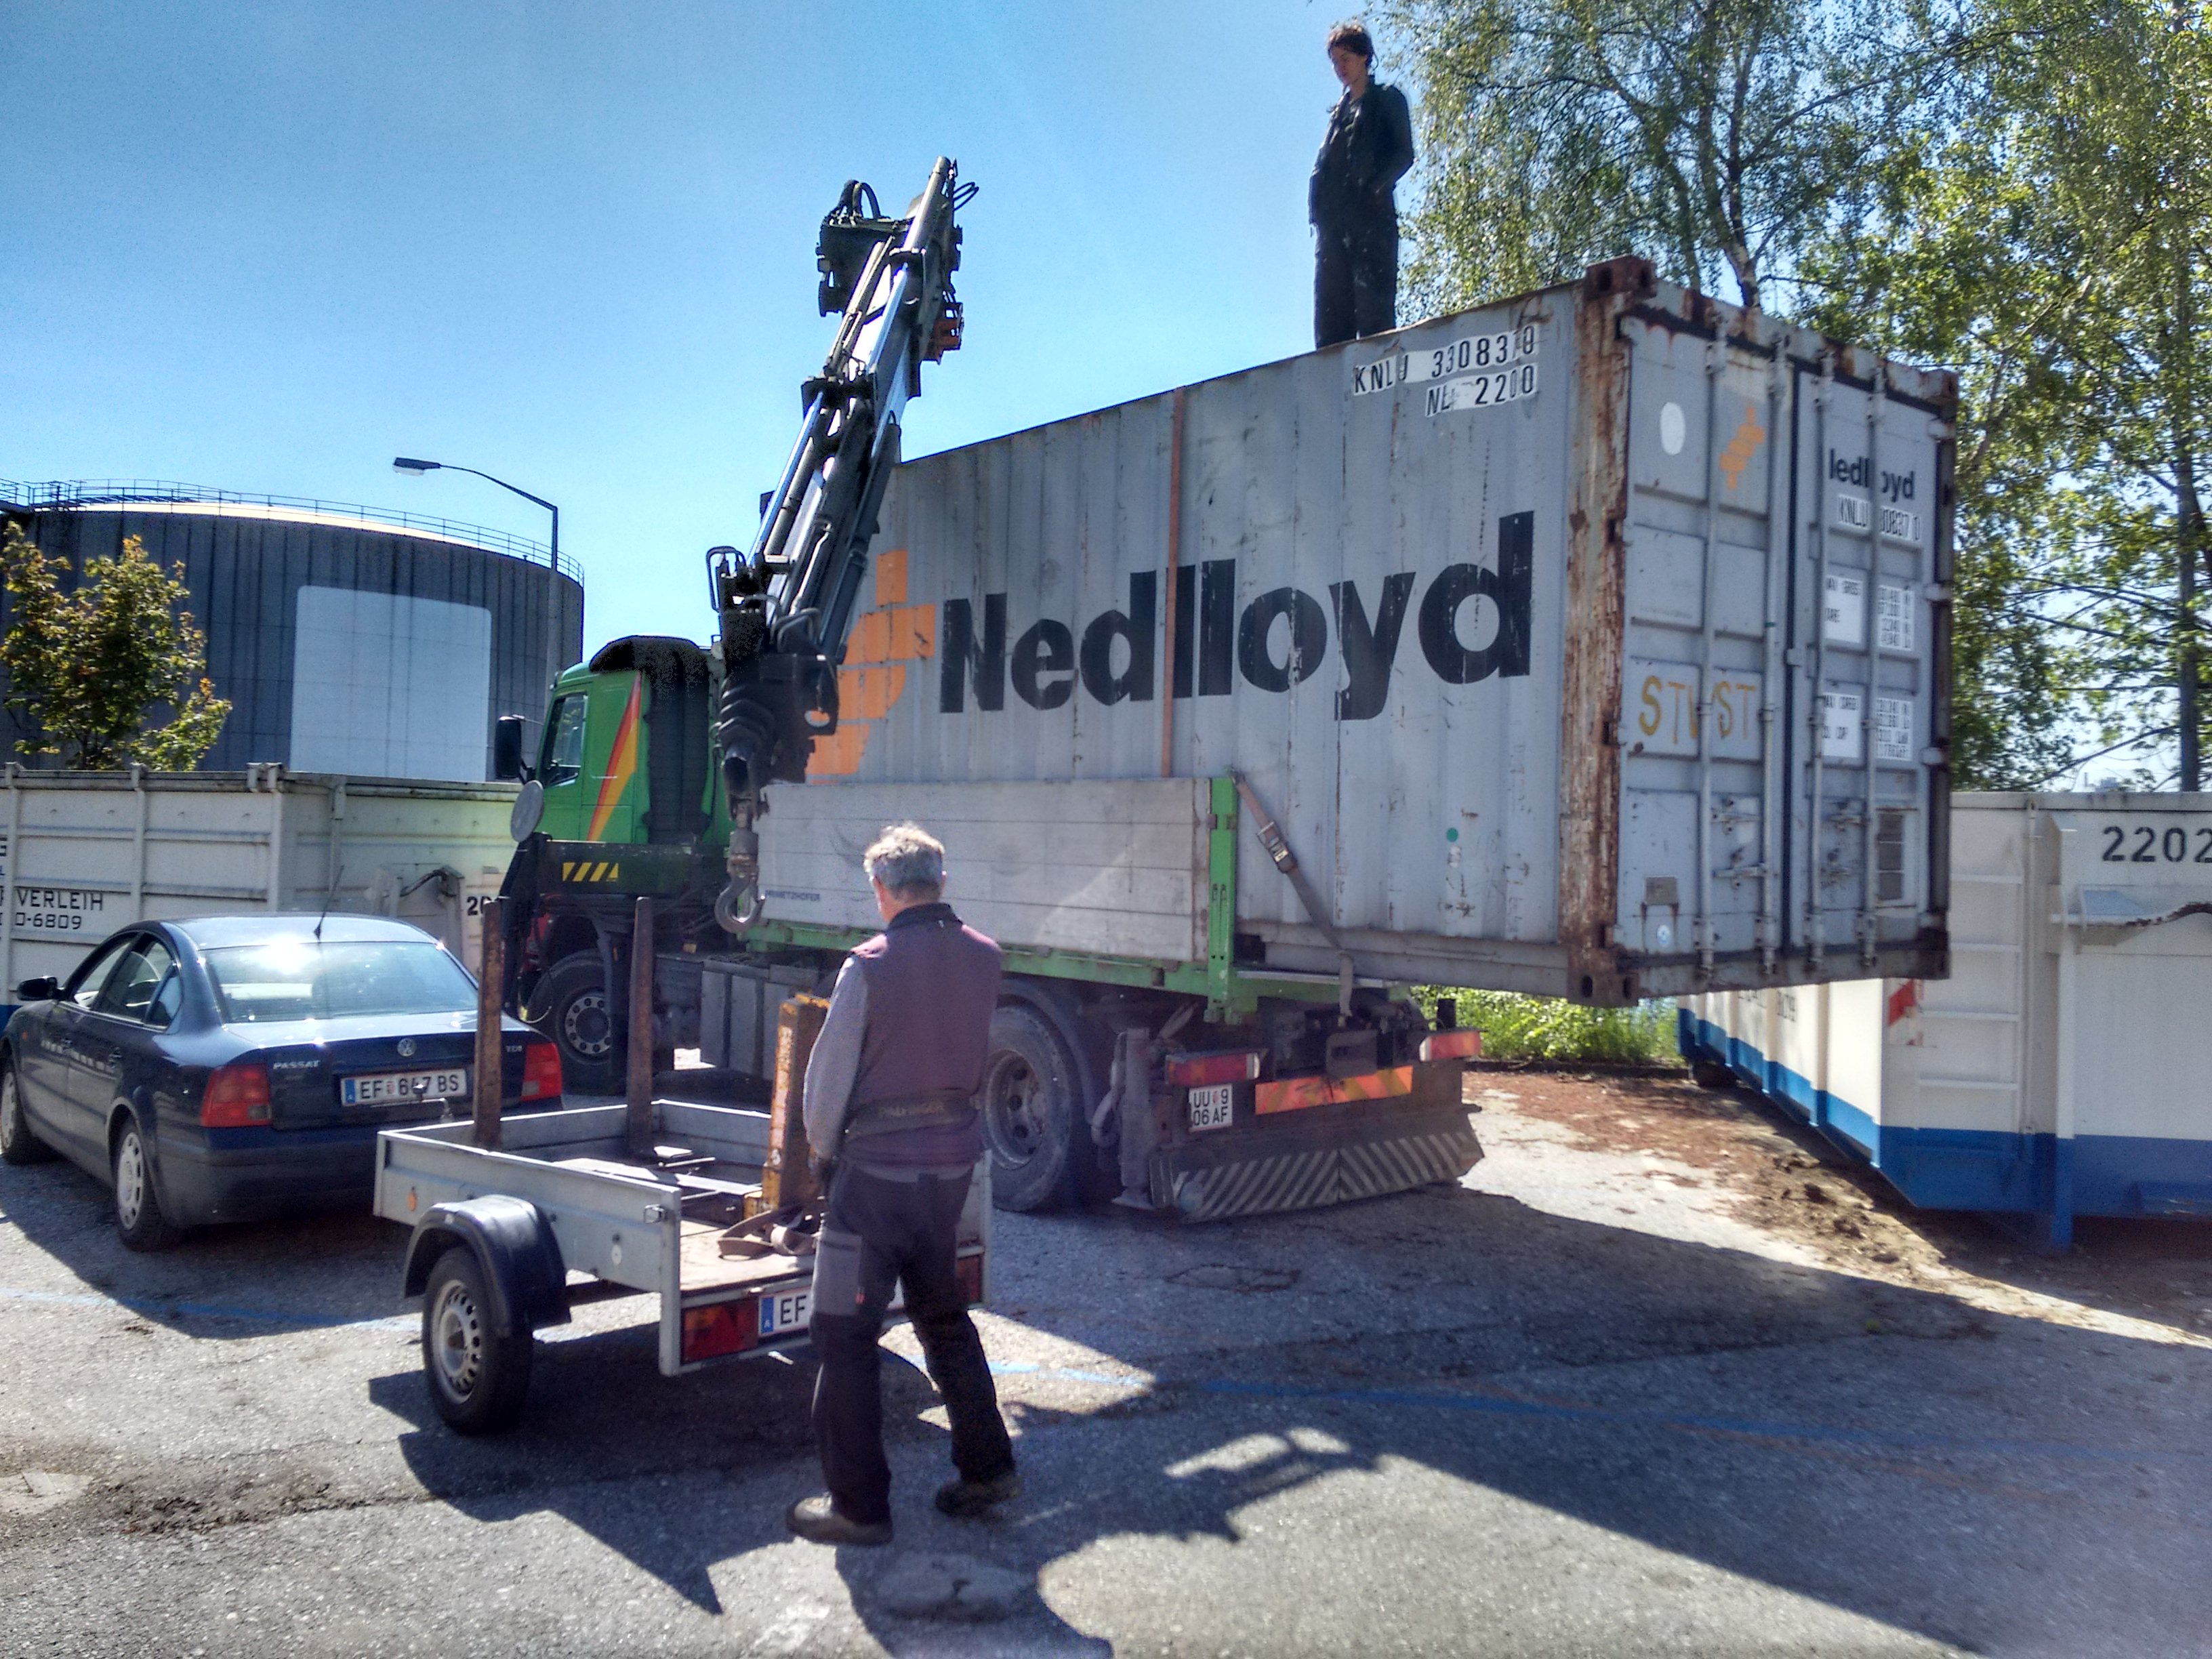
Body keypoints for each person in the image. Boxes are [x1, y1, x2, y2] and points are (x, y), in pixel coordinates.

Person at [785, 822, 1019, 1547]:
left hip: (874, 1181)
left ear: (882, 891)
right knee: (943, 1317)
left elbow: (825, 1088)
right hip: (949, 1170)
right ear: (941, 884)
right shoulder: (986, 957)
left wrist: (822, 1162)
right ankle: (988, 1470)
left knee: (843, 1333)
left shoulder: (869, 966)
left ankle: (857, 1507)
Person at [1310, 20, 1415, 350]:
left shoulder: (1387, 100)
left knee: (1374, 318)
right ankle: (1330, 394)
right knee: (1330, 323)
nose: (1339, 68)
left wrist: (1373, 190)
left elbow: (1404, 153)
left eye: (1346, 58)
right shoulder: (1336, 117)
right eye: (1335, 61)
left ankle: (1377, 394)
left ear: (1365, 57)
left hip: (1371, 224)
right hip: (1333, 228)